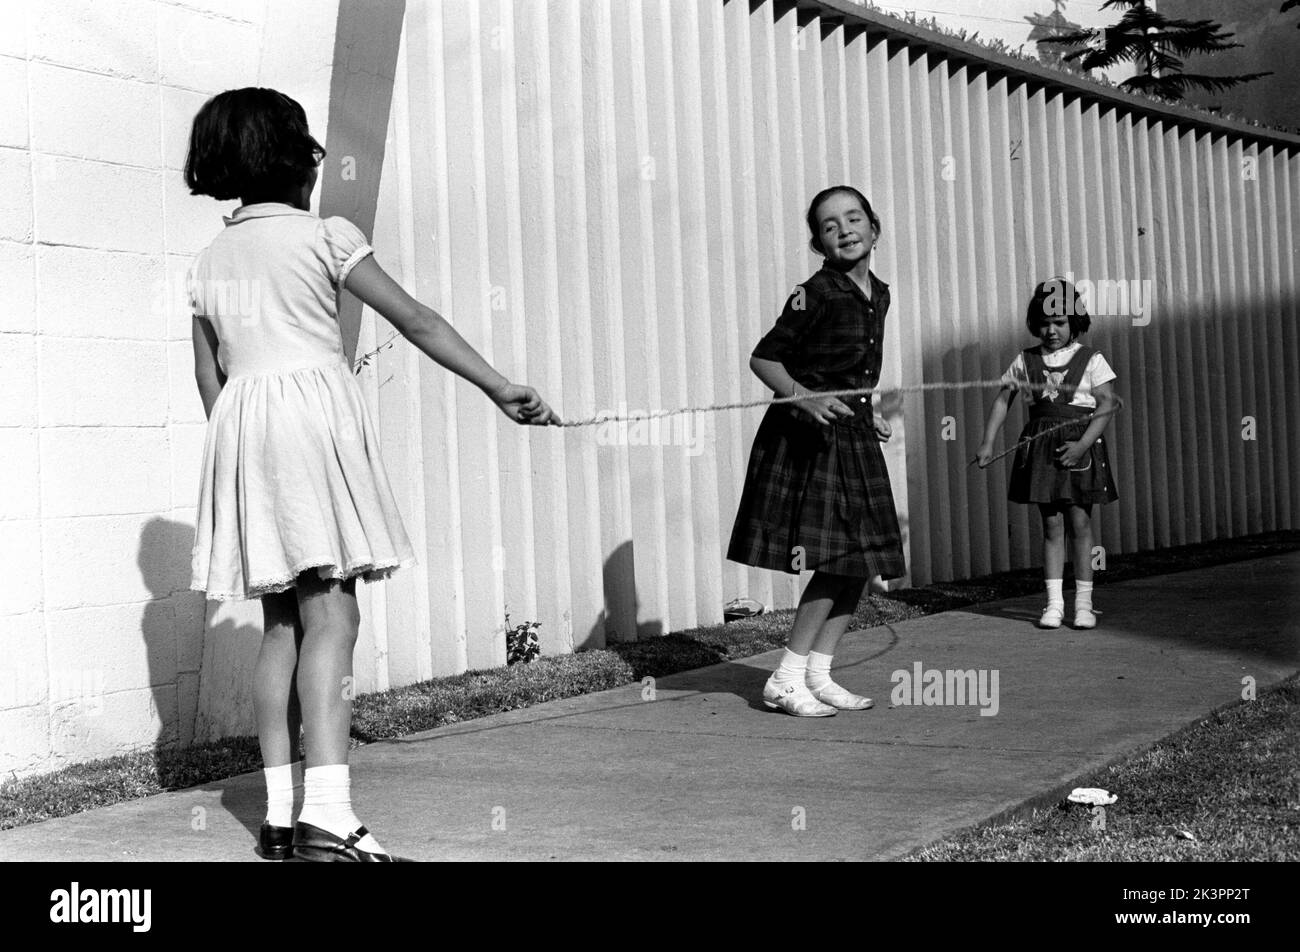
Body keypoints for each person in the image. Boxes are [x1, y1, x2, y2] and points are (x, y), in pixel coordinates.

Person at [185, 87, 556, 861]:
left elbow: (210, 379)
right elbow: (415, 320)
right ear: (298, 158)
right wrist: (498, 385)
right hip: (311, 421)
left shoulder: (210, 258)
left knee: (281, 623)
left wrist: (242, 451)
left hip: (243, 428)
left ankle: (283, 818)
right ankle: (332, 818)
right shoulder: (326, 236)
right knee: (334, 617)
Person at [727, 186, 906, 717]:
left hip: (850, 434)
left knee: (860, 561)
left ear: (875, 228)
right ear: (817, 242)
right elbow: (765, 360)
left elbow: (852, 371)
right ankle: (784, 677)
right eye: (830, 225)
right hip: (809, 438)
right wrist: (808, 399)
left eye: (854, 219)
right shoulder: (815, 292)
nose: (845, 229)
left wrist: (865, 408)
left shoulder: (880, 292)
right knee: (835, 558)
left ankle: (818, 674)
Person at [977, 278, 1119, 630]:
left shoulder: (1091, 359)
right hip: (1042, 449)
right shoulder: (1025, 360)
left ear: (1075, 321)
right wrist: (987, 441)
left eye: (1059, 322)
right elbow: (1002, 399)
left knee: (1080, 523)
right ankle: (1054, 604)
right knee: (1052, 525)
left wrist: (1083, 445)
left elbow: (1106, 406)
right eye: (1044, 323)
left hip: (1079, 446)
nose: (1051, 330)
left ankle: (1083, 605)